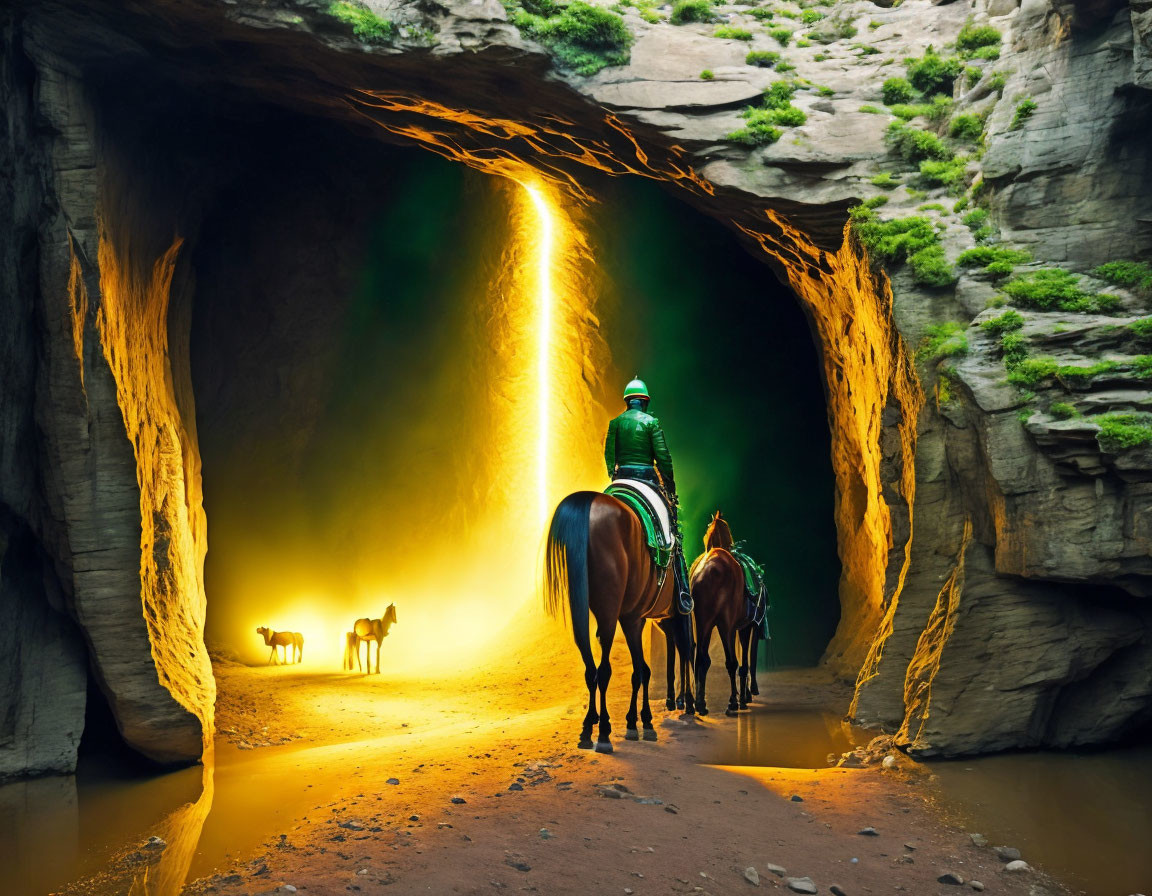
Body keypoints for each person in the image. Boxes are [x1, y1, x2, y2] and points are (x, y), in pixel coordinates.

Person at [604, 378, 692, 612]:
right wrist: (670, 488)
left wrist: (613, 476)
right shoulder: (652, 423)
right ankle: (682, 591)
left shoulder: (615, 423)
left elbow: (609, 455)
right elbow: (663, 457)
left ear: (627, 402)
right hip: (647, 479)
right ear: (644, 401)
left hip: (620, 478)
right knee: (672, 531)